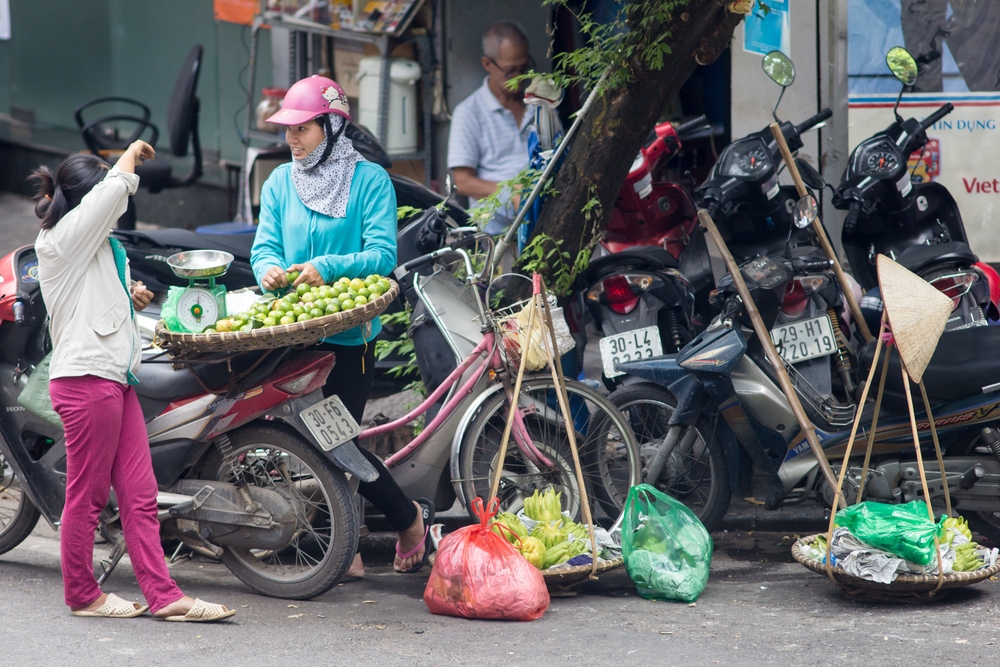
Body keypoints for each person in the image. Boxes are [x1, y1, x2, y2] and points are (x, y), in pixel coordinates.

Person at [33, 143, 236, 622]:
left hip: (114, 379)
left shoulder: (96, 245)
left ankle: (166, 596)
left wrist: (130, 296)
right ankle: (83, 595)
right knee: (86, 495)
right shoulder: (60, 239)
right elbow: (111, 197)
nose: (113, 197)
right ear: (87, 201)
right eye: (101, 189)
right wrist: (126, 160)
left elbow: (94, 300)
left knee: (140, 494)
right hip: (86, 382)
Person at [251, 75, 432, 576]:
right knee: (301, 440)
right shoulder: (278, 182)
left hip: (348, 341)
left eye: (301, 129)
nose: (290, 140)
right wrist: (268, 267)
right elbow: (264, 244)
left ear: (331, 126)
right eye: (287, 130)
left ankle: (405, 520)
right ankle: (348, 542)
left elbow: (382, 255)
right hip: (289, 336)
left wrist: (327, 267)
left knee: (337, 443)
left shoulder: (369, 180)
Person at [448, 21, 535, 234]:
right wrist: (513, 192)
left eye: (524, 68)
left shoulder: (537, 104)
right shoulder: (469, 112)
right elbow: (462, 182)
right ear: (487, 64)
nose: (520, 77)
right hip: (495, 229)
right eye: (510, 70)